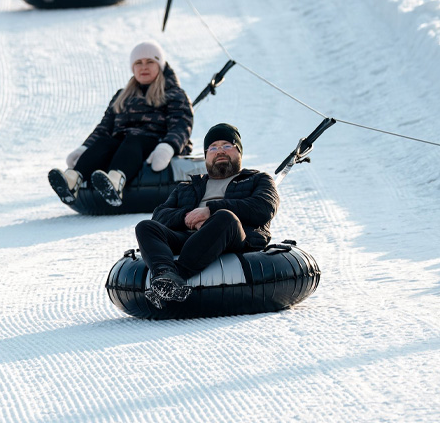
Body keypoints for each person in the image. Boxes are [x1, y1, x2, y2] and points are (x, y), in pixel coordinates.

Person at [134, 123, 279, 309]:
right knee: (146, 226)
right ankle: (164, 275)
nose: (220, 151)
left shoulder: (258, 179)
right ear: (206, 155)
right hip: (190, 236)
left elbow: (264, 207)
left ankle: (177, 275)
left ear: (239, 152)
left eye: (227, 145)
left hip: (235, 235)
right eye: (213, 147)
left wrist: (211, 210)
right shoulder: (187, 186)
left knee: (224, 217)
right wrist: (188, 218)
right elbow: (160, 215)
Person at [48, 41, 194, 207]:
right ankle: (72, 180)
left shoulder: (174, 94)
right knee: (105, 143)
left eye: (150, 62)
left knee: (133, 140)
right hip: (124, 145)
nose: (143, 67)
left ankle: (115, 182)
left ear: (160, 65)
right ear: (133, 68)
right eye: (138, 63)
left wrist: (167, 147)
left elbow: (181, 125)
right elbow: (104, 128)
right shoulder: (122, 95)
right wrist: (84, 149)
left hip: (154, 145)